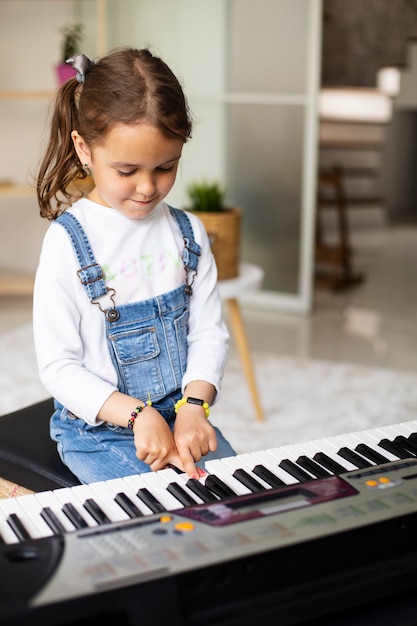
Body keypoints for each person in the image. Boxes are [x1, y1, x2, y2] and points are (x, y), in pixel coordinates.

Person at [33, 47, 236, 485]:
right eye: (127, 170)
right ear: (84, 149)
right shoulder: (66, 242)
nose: (147, 187)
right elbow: (58, 367)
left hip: (182, 416)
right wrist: (138, 415)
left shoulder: (189, 233)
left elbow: (208, 332)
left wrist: (195, 406)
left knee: (235, 501)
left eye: (166, 166)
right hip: (100, 430)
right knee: (167, 519)